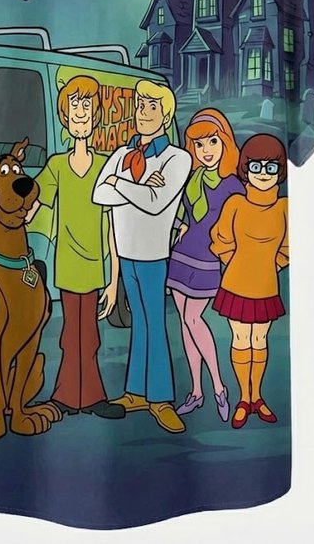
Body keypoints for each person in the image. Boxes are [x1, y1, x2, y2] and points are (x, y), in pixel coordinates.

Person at [0, 74, 124, 419]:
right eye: (74, 107)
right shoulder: (57, 165)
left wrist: (114, 279)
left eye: (86, 107)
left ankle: (92, 397)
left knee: (90, 336)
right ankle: (66, 396)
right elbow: (30, 204)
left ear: (96, 116)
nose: (80, 114)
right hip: (67, 264)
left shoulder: (105, 166)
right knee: (70, 333)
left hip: (95, 265)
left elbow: (113, 226)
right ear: (65, 116)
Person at [92, 79, 192, 433]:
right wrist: (132, 186)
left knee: (154, 322)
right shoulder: (123, 153)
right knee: (140, 324)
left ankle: (161, 399)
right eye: (139, 106)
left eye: (151, 107)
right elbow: (99, 194)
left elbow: (155, 203)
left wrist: (119, 184)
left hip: (153, 254)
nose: (143, 113)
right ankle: (136, 392)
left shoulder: (177, 158)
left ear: (166, 115)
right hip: (126, 252)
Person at [167, 109, 245, 422]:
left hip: (208, 259)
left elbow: (238, 228)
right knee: (185, 323)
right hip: (181, 254)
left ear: (225, 142)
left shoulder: (233, 186)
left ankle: (219, 386)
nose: (206, 150)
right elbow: (181, 213)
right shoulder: (192, 180)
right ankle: (197, 391)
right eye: (199, 144)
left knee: (193, 318)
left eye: (212, 141)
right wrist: (179, 225)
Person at [210, 134, 289, 429]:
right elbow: (220, 239)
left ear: (280, 171)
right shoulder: (235, 204)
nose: (263, 174)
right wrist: (237, 263)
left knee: (260, 340)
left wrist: (270, 266)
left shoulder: (284, 207)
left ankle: (258, 397)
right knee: (241, 340)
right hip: (236, 284)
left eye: (271, 167)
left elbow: (288, 247)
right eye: (256, 166)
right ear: (246, 168)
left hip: (267, 285)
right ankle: (244, 398)